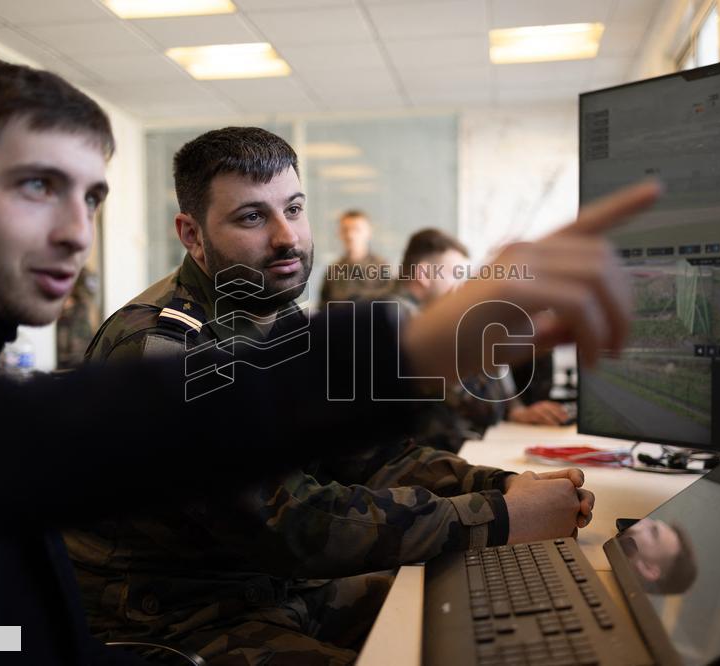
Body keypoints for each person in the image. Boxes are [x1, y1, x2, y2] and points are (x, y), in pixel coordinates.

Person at [0, 55, 658, 663]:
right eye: (37, 187)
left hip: (249, 593)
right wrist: (413, 354)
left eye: (92, 196)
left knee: (458, 616)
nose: (77, 232)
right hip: (181, 623)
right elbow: (92, 434)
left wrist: (499, 489)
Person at [65, 127, 596, 665]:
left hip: (273, 589)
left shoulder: (277, 317)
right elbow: (288, 521)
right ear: (192, 235)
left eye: (294, 209)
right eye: (251, 217)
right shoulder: (160, 347)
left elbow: (371, 457)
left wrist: (502, 485)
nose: (286, 237)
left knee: (472, 609)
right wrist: (497, 517)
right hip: (182, 620)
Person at [392, 228, 571, 451]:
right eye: (456, 273)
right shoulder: (400, 319)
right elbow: (479, 406)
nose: (461, 285)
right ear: (424, 274)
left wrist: (515, 410)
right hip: (431, 458)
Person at [319, 209, 391, 306]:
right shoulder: (333, 270)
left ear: (369, 232)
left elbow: (390, 302)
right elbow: (323, 306)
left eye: (357, 229)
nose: (350, 235)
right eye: (345, 230)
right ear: (339, 233)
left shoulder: (381, 267)